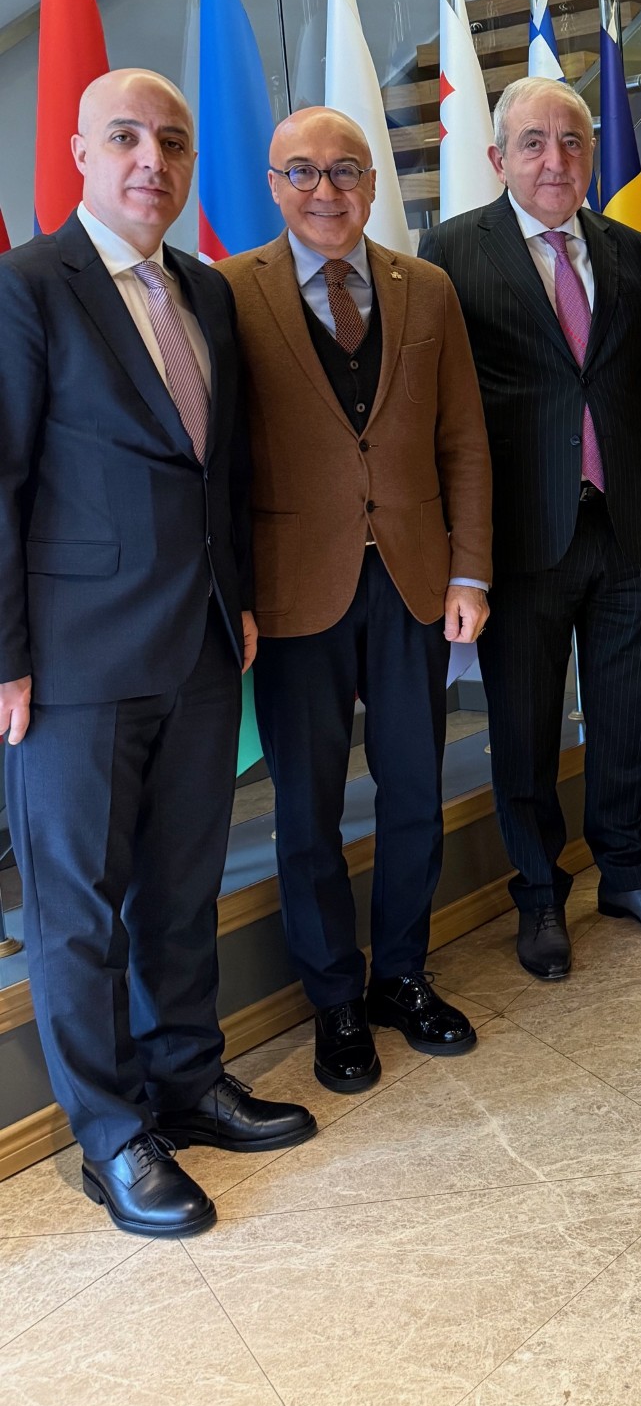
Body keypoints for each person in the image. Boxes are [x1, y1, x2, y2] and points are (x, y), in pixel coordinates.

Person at [0, 70, 314, 1239]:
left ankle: (187, 1080)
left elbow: (219, 467)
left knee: (183, 887)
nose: (153, 160)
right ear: (80, 153)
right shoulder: (29, 286)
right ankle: (111, 1134)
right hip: (72, 664)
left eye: (173, 142)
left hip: (199, 645)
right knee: (80, 912)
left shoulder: (204, 292)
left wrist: (238, 595)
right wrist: (5, 656)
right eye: (126, 137)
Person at [219, 108, 493, 1090]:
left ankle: (402, 977)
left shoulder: (429, 288)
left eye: (345, 171)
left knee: (417, 790)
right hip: (294, 592)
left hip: (415, 581)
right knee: (308, 809)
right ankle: (335, 999)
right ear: (274, 184)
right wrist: (234, 592)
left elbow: (463, 440)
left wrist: (470, 572)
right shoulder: (228, 293)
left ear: (373, 185)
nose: (325, 190)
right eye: (302, 172)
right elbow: (219, 459)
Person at [419, 77, 641, 980]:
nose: (555, 160)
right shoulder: (451, 251)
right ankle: (539, 894)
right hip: (519, 537)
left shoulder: (626, 248)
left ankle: (628, 874)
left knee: (625, 715)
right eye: (534, 143)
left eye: (572, 141)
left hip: (625, 525)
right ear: (498, 158)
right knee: (525, 729)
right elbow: (441, 408)